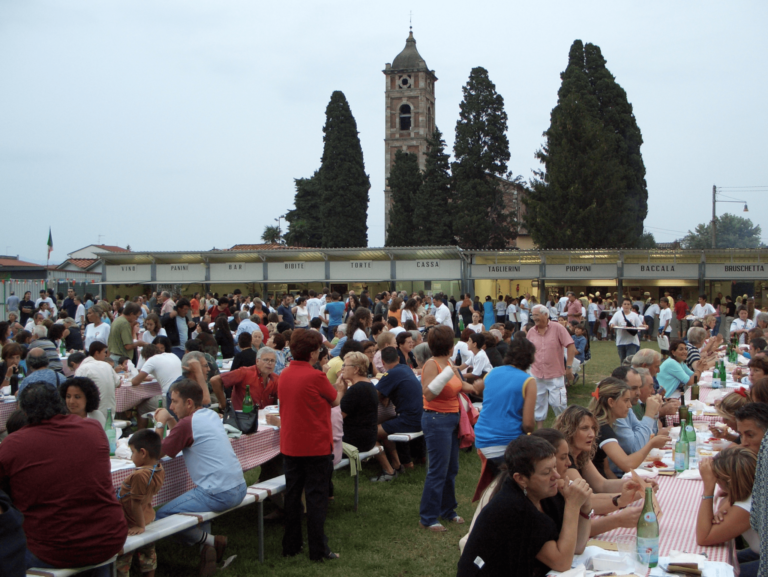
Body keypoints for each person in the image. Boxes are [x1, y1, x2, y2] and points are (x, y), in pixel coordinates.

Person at [0, 382, 127, 574]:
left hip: (51, 550)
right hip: (109, 538)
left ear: (23, 411)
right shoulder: (93, 429)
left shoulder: (13, 445)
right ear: (61, 403)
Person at [457, 435, 592, 577]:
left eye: (554, 467)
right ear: (521, 479)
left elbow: (577, 547)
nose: (556, 475)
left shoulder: (543, 495)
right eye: (546, 472)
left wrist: (585, 508)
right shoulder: (514, 508)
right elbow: (562, 562)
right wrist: (572, 506)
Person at [153, 379, 246, 574]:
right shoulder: (209, 414)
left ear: (188, 403)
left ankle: (211, 542)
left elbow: (156, 453)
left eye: (174, 401)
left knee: (160, 517)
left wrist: (160, 422)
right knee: (196, 501)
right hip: (239, 486)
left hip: (218, 493)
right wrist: (171, 419)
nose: (170, 406)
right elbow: (181, 432)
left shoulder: (187, 424)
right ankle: (208, 548)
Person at [279, 329, 345, 561]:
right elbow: (335, 400)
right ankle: (318, 550)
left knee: (293, 495)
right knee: (316, 498)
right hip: (315, 446)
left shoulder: (285, 374)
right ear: (312, 353)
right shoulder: (316, 376)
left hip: (291, 445)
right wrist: (339, 386)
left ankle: (291, 545)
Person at [419, 325, 479, 532]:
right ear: (450, 346)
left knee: (451, 468)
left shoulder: (449, 363)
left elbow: (460, 386)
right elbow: (429, 394)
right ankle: (427, 517)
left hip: (452, 418)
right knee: (437, 470)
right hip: (436, 420)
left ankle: (447, 510)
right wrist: (446, 374)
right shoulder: (432, 364)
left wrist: (480, 386)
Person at [474, 336, 537, 474]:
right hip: (506, 442)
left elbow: (481, 391)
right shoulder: (528, 381)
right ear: (530, 359)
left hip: (482, 439)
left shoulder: (492, 372)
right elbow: (528, 424)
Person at [696, 447, 759, 576]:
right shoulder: (751, 488)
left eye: (717, 478)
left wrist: (708, 489)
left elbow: (704, 537)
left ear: (729, 481)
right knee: (727, 562)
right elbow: (723, 511)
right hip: (759, 551)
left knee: (719, 573)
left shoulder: (749, 504)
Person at [588, 378, 669, 477]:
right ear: (611, 402)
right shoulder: (603, 429)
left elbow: (607, 471)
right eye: (626, 400)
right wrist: (651, 444)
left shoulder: (604, 425)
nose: (630, 405)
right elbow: (627, 465)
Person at [115, 429, 165, 577]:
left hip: (133, 520)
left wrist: (139, 525)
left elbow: (135, 503)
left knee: (124, 555)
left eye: (132, 452)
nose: (131, 457)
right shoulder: (158, 468)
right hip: (148, 514)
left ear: (142, 453)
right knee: (148, 552)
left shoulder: (140, 475)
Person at [525, 304, 576, 429]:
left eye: (537, 315)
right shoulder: (531, 332)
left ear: (546, 315)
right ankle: (540, 430)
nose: (534, 318)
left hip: (555, 373)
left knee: (558, 403)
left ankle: (564, 428)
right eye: (533, 315)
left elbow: (570, 346)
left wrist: (569, 367)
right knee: (538, 402)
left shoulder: (558, 328)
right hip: (536, 373)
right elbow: (527, 350)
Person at [211, 347, 279, 410]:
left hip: (265, 419)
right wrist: (223, 404)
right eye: (266, 360)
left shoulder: (276, 379)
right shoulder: (244, 373)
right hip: (242, 418)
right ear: (257, 361)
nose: (269, 363)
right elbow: (215, 380)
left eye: (272, 361)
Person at [338, 351, 379, 454]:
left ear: (356, 369)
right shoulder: (368, 384)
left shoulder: (356, 389)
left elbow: (337, 417)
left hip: (355, 440)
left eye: (345, 365)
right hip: (368, 438)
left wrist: (340, 391)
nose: (342, 368)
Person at [75, 341, 121, 421]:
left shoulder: (82, 368)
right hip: (107, 412)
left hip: (91, 413)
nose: (106, 355)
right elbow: (118, 383)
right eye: (104, 352)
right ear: (97, 353)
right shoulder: (106, 366)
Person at [609, 298, 643, 363]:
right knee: (622, 360)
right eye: (625, 304)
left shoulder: (634, 315)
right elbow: (612, 322)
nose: (626, 306)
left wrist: (644, 326)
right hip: (621, 341)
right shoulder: (617, 314)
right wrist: (612, 325)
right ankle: (623, 373)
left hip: (632, 341)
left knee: (629, 361)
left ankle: (630, 372)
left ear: (631, 306)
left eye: (628, 304)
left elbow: (640, 325)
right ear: (622, 305)